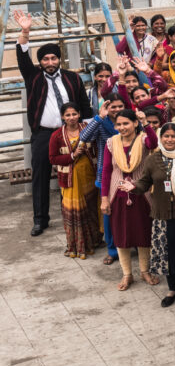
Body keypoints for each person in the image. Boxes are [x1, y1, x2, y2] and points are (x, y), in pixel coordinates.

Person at [15, 10, 92, 236]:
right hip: (43, 134)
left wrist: (85, 129)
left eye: (53, 58)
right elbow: (21, 54)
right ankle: (41, 219)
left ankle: (74, 214)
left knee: (74, 173)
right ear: (40, 62)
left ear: (60, 59)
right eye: (45, 59)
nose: (50, 62)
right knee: (40, 175)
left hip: (71, 132)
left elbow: (84, 104)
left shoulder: (72, 77)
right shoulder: (33, 76)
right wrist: (25, 31)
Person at [131, 122, 175, 307]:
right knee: (168, 255)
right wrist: (133, 187)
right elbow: (144, 182)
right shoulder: (153, 159)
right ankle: (172, 289)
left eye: (173, 136)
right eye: (166, 136)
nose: (169, 139)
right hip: (163, 216)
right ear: (161, 138)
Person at [101, 109, 158, 291]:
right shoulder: (111, 143)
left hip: (141, 193)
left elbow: (154, 142)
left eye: (126, 123)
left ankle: (144, 271)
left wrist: (146, 124)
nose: (122, 127)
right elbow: (107, 172)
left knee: (143, 233)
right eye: (118, 124)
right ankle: (127, 274)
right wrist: (104, 199)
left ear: (135, 123)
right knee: (121, 236)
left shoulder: (143, 140)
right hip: (117, 195)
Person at [48, 102, 101, 258]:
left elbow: (97, 148)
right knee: (74, 213)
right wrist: (72, 155)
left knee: (91, 208)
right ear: (63, 117)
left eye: (74, 114)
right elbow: (52, 158)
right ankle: (77, 246)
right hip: (70, 179)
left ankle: (94, 242)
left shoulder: (87, 128)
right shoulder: (57, 135)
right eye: (68, 115)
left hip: (88, 176)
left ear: (79, 114)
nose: (71, 118)